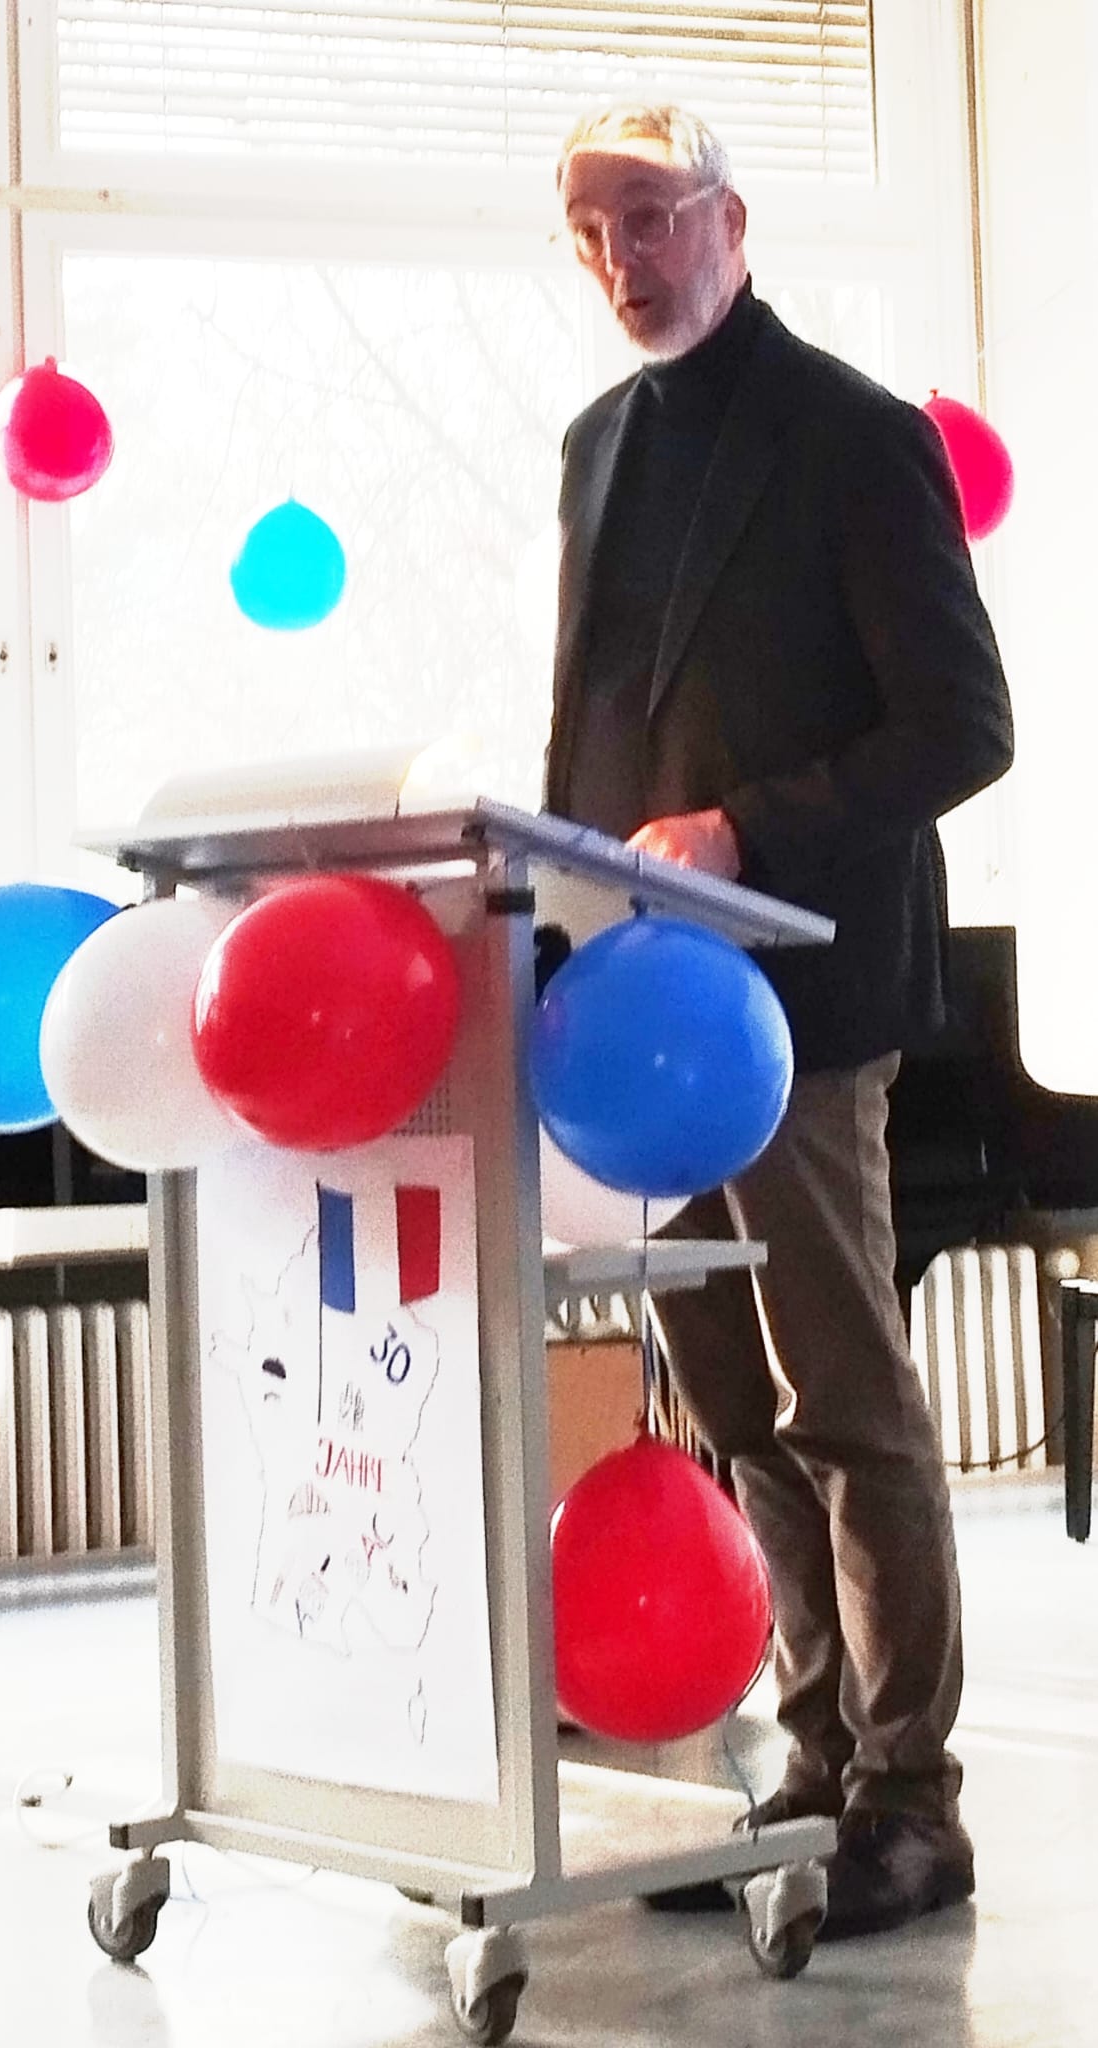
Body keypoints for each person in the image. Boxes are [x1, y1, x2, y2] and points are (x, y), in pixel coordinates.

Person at [545, 103, 1014, 1940]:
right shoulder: (595, 446)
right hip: (636, 1019)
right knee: (733, 1400)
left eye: (651, 217)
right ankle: (809, 1761)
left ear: (731, 222)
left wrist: (744, 828)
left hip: (800, 1006)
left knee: (845, 1401)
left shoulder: (856, 435)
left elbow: (961, 728)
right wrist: (553, 923)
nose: (622, 257)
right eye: (591, 228)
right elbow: (590, 730)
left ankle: (910, 1797)